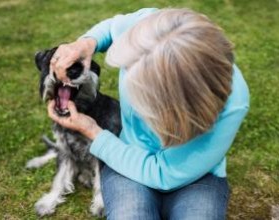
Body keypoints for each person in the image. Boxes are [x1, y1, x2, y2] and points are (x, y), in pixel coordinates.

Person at [47, 8, 249, 220]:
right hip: (126, 155)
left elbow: (163, 174)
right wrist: (87, 43)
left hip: (197, 178)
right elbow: (111, 29)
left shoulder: (233, 103)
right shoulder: (154, 29)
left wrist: (94, 132)